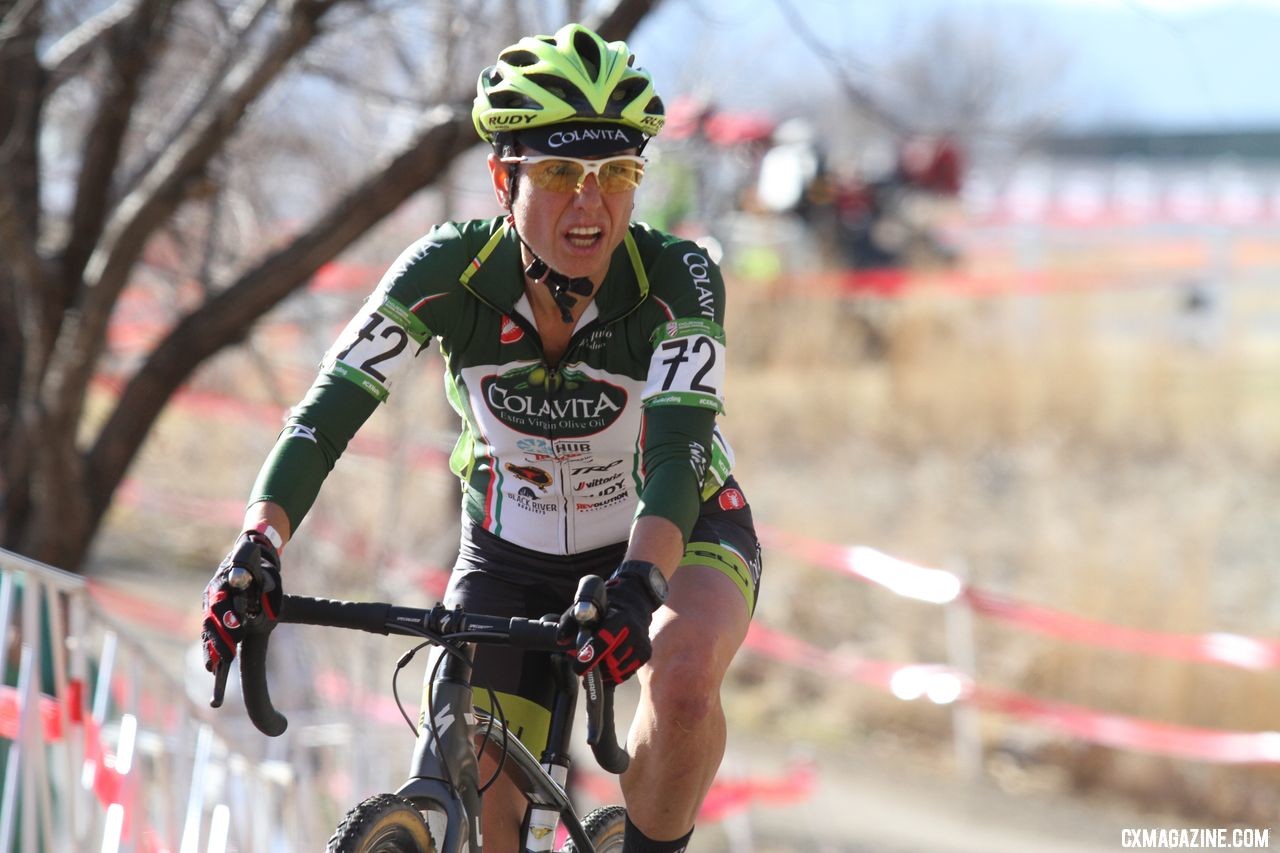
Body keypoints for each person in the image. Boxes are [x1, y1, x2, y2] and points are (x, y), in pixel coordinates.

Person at [201, 22, 762, 853]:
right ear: (504, 177)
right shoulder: (444, 273)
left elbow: (678, 453)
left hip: (679, 530)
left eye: (618, 174)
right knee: (483, 803)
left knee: (681, 681)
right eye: (563, 171)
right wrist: (257, 543)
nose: (591, 202)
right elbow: (325, 416)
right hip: (512, 554)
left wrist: (642, 581)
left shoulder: (677, 278)